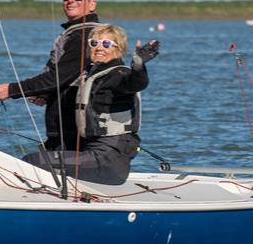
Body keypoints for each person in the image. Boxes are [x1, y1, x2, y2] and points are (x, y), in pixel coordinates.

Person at [22, 24, 159, 185]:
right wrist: (45, 95)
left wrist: (138, 65)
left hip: (108, 160)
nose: (99, 48)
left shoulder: (118, 74)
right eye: (94, 43)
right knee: (46, 155)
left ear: (119, 49)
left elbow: (136, 83)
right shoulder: (91, 75)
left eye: (106, 44)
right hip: (93, 152)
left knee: (31, 161)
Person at [0, 0, 101, 151]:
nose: (70, 0)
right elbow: (69, 75)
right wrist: (46, 94)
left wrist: (12, 90)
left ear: (92, 4)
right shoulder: (73, 33)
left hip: (77, 132)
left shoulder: (85, 36)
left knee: (36, 163)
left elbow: (58, 77)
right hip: (64, 130)